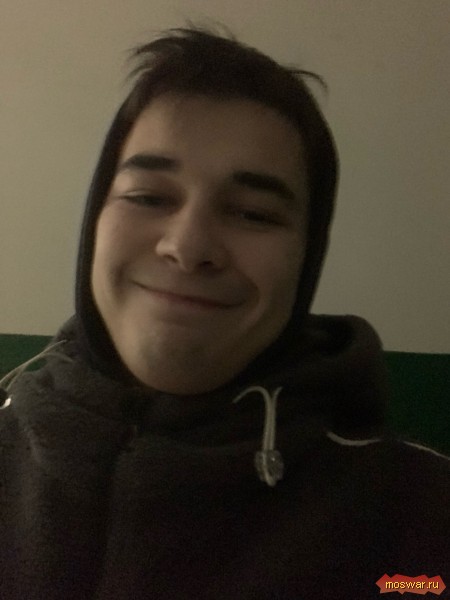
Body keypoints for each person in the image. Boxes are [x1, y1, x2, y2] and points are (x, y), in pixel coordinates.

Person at [0, 27, 449, 600]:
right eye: (148, 197)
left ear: (307, 257)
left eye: (254, 213)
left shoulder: (422, 519)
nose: (188, 248)